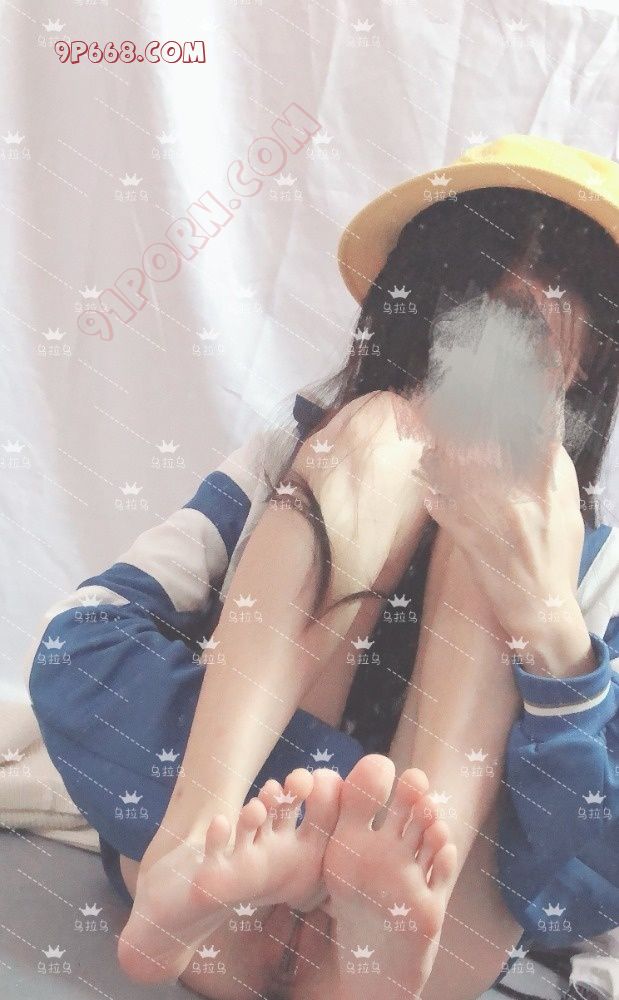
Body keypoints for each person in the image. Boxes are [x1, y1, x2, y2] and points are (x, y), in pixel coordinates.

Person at [28, 135, 619, 1000]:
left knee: (509, 511)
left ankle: (388, 925)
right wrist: (301, 808)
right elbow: (77, 655)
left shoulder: (596, 570)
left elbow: (593, 871)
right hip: (224, 902)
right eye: (480, 305)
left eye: (550, 320)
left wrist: (550, 627)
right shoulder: (296, 459)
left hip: (429, 948)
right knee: (376, 443)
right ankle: (194, 851)